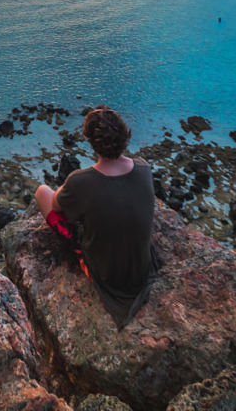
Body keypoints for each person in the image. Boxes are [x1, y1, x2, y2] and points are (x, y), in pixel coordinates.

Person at [35, 104, 157, 330]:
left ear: (91, 141)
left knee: (42, 192)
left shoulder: (80, 181)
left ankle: (81, 257)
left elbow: (55, 204)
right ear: (124, 136)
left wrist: (72, 186)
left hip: (107, 275)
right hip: (140, 269)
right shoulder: (143, 168)